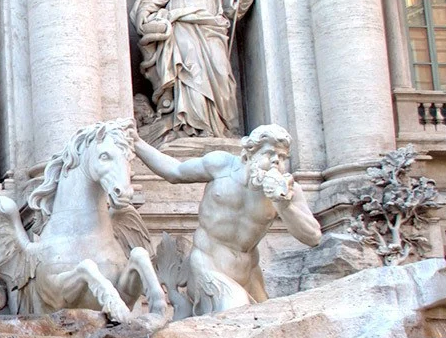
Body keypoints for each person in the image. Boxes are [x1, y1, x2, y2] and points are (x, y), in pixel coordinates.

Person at [134, 124, 322, 314]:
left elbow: (313, 236)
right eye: (269, 154)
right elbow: (175, 171)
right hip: (207, 264)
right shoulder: (221, 166)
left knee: (266, 322)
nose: (276, 162)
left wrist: (284, 204)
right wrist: (136, 142)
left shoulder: (288, 191)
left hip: (249, 273)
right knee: (237, 311)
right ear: (249, 154)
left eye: (282, 157)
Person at [132, 0, 254, 142]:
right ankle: (191, 127)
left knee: (220, 72)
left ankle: (220, 128)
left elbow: (233, 3)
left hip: (212, 27)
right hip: (183, 26)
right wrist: (145, 16)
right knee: (190, 73)